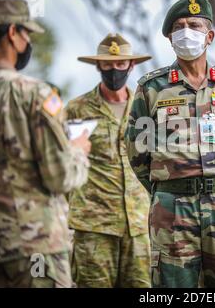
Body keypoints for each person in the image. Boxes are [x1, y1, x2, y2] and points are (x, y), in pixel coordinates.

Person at [0, 0, 91, 288]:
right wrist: (78, 152)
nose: (27, 42)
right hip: (35, 251)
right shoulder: (36, 95)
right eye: (27, 33)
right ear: (12, 33)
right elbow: (60, 176)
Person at [126, 0, 215, 288]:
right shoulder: (152, 88)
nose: (186, 32)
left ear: (209, 36)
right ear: (170, 38)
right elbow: (137, 151)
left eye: (194, 25)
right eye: (179, 26)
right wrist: (166, 187)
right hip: (172, 207)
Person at [65, 34, 152, 288]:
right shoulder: (76, 110)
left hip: (139, 226)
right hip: (93, 227)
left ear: (131, 65)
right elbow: (59, 163)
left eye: (120, 64)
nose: (114, 70)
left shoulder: (146, 107)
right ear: (98, 66)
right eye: (107, 64)